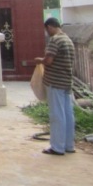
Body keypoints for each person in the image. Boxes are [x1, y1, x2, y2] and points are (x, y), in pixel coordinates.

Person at [35, 17, 76, 156]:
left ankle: (57, 147)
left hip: (55, 82)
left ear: (50, 27)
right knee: (68, 114)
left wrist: (39, 60)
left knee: (57, 115)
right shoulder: (68, 40)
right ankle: (69, 145)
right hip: (66, 82)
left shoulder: (55, 40)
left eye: (47, 29)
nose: (47, 32)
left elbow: (49, 60)